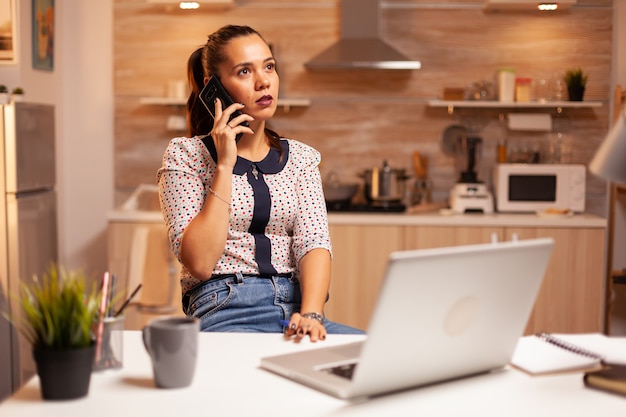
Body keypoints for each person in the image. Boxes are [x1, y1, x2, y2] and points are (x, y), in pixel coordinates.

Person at [157, 25, 363, 342]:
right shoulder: (186, 156)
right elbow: (199, 263)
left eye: (269, 66)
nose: (264, 80)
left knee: (379, 357)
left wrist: (311, 315)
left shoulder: (301, 159)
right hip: (226, 309)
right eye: (244, 71)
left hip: (297, 311)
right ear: (216, 89)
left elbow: (314, 243)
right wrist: (225, 165)